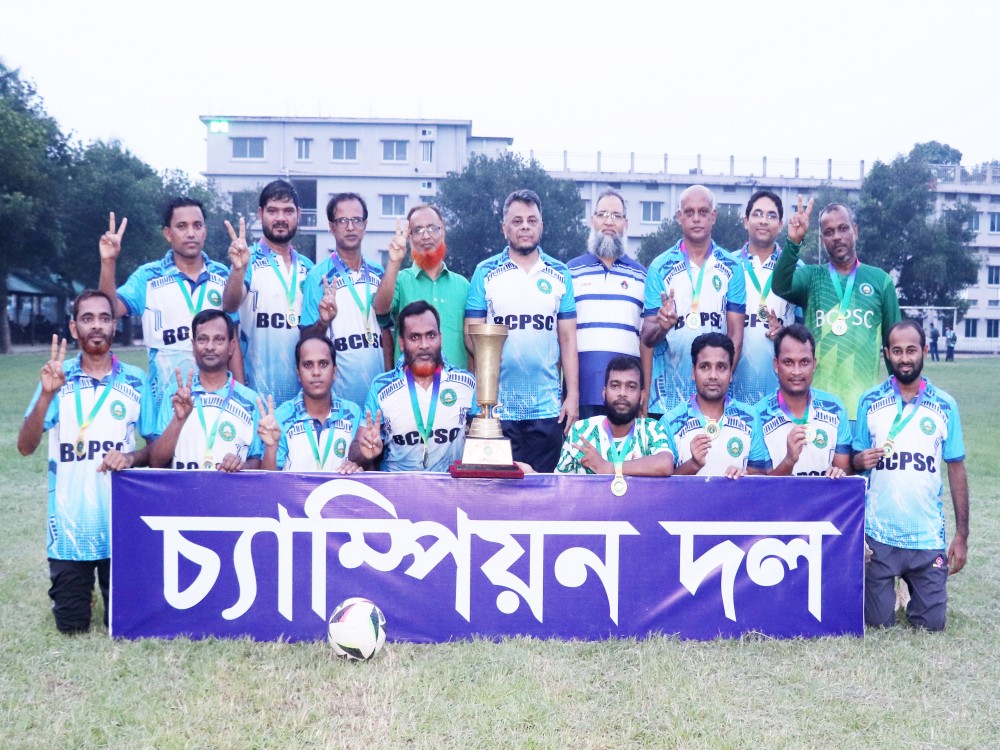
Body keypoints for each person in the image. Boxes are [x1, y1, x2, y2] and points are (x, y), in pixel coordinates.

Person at [17, 291, 156, 634]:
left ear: (114, 325)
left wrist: (131, 456)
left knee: (121, 625)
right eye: (87, 318)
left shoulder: (136, 379)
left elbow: (157, 450)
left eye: (105, 318)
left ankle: (109, 591)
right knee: (71, 627)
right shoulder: (57, 376)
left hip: (118, 525)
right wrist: (47, 394)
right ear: (74, 327)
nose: (97, 326)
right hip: (68, 527)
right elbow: (25, 446)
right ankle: (80, 594)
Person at [852, 320, 968, 631]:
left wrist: (961, 536)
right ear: (887, 353)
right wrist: (858, 459)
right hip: (879, 538)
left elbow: (956, 468)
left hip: (926, 538)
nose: (905, 358)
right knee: (876, 623)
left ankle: (915, 591)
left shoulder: (945, 405)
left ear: (925, 351)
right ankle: (888, 592)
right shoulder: (870, 401)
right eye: (898, 351)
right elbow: (854, 465)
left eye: (912, 350)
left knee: (931, 625)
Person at [464, 189, 579, 473]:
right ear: (505, 229)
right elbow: (470, 336)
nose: (525, 226)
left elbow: (567, 338)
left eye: (531, 220)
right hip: (496, 410)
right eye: (517, 221)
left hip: (547, 408)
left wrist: (572, 396)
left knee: (543, 493)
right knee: (497, 492)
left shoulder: (560, 273)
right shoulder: (485, 272)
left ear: (542, 226)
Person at [99, 201, 242, 410]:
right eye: (182, 226)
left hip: (215, 403)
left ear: (205, 232)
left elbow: (233, 341)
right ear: (168, 233)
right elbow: (107, 311)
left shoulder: (222, 275)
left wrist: (239, 394)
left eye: (197, 225)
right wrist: (108, 262)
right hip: (164, 402)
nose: (191, 233)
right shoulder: (148, 276)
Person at [772, 198, 901, 422]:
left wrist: (901, 399)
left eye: (843, 228)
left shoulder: (880, 281)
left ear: (855, 231)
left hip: (864, 409)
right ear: (822, 239)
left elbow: (895, 345)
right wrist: (794, 242)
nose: (837, 236)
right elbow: (780, 285)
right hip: (818, 409)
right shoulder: (812, 277)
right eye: (829, 232)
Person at [641, 185, 746, 418]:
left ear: (714, 216)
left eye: (703, 212)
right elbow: (647, 336)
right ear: (679, 217)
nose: (696, 219)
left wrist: (719, 382)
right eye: (689, 213)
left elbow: (736, 335)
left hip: (715, 400)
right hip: (667, 402)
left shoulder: (732, 267)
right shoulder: (659, 267)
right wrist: (662, 326)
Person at [352, 301, 477, 472]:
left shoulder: (466, 384)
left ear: (440, 337)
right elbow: (357, 451)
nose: (424, 345)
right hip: (396, 492)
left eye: (431, 335)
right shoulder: (381, 388)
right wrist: (365, 451)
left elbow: (483, 445)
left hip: (450, 493)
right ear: (402, 343)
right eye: (415, 337)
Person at [222, 180, 315, 406]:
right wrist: (237, 269)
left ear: (298, 214)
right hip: (254, 397)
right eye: (273, 211)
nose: (281, 218)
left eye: (288, 211)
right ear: (261, 214)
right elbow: (230, 304)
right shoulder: (247, 261)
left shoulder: (309, 268)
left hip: (301, 402)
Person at [567, 189, 652, 419]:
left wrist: (645, 395)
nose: (609, 221)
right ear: (592, 220)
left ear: (626, 223)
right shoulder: (570, 272)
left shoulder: (643, 276)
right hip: (581, 396)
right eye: (602, 214)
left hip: (627, 399)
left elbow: (647, 342)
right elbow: (561, 339)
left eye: (616, 215)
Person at [299, 193, 389, 409]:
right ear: (331, 227)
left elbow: (387, 333)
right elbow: (305, 342)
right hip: (337, 403)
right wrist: (324, 321)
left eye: (356, 220)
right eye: (342, 221)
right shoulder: (317, 277)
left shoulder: (379, 273)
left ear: (365, 225)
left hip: (378, 399)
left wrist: (389, 382)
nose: (350, 227)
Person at [150, 309, 263, 471]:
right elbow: (156, 462)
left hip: (230, 495)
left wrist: (240, 466)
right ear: (193, 345)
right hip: (183, 495)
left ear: (231, 346)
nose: (210, 347)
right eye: (202, 339)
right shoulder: (175, 395)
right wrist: (179, 420)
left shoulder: (251, 401)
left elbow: (257, 461)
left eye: (219, 340)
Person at [372, 204, 472, 370]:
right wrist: (395, 261)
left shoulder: (463, 285)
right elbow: (380, 308)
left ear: (443, 231)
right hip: (409, 387)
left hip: (455, 389)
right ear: (410, 238)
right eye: (417, 230)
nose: (426, 236)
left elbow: (472, 344)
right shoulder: (400, 281)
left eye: (432, 228)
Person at [747, 324, 851, 478]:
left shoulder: (835, 408)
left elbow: (846, 473)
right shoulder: (756, 416)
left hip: (824, 502)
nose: (797, 371)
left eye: (804, 362)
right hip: (781, 503)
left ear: (814, 364)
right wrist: (789, 461)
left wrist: (839, 474)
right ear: (776, 365)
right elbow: (761, 490)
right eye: (788, 362)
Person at [732, 190, 801, 405]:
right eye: (757, 214)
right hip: (732, 387)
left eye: (771, 216)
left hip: (780, 390)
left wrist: (785, 334)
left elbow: (804, 331)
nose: (764, 221)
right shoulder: (726, 265)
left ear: (780, 225)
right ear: (746, 221)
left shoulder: (796, 269)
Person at [256, 334, 362, 473]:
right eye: (308, 365)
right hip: (291, 495)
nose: (316, 372)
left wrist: (359, 465)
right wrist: (271, 448)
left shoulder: (352, 413)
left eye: (323, 364)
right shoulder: (281, 417)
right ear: (298, 374)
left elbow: (364, 468)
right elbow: (267, 484)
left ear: (334, 371)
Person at [553, 355, 674, 477]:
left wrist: (608, 467)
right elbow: (559, 486)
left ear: (642, 396)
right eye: (615, 386)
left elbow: (665, 463)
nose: (622, 393)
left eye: (631, 387)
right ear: (604, 393)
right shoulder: (580, 431)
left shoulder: (650, 429)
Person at [660, 332, 754, 478]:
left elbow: (763, 478)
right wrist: (693, 464)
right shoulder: (669, 422)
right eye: (705, 367)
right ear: (693, 372)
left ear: (731, 373)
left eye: (721, 367)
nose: (713, 376)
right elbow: (662, 487)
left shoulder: (751, 418)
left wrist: (746, 476)